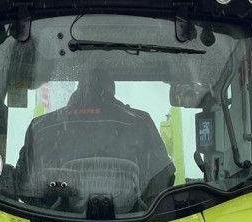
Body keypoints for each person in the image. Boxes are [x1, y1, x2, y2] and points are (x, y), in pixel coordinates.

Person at [14, 70, 174, 212]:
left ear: (80, 88)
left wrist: (53, 210)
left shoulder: (42, 127)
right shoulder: (141, 123)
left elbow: (25, 185)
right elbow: (162, 181)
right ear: (111, 89)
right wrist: (136, 212)